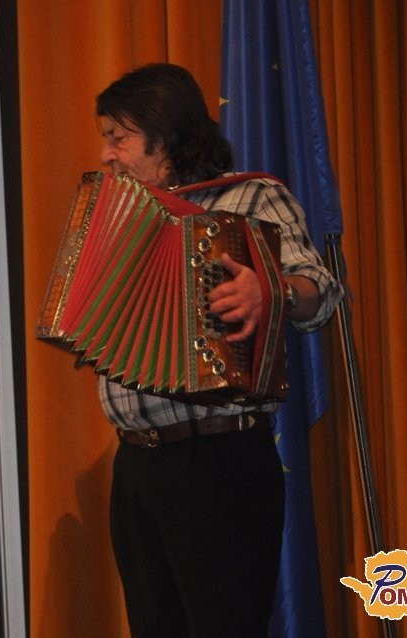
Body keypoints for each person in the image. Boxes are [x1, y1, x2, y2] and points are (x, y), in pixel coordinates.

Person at [91, 63, 342, 637]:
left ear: (165, 136)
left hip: (218, 460)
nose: (107, 155)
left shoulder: (251, 197)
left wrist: (271, 290)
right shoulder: (120, 216)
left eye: (119, 138)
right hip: (136, 466)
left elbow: (321, 291)